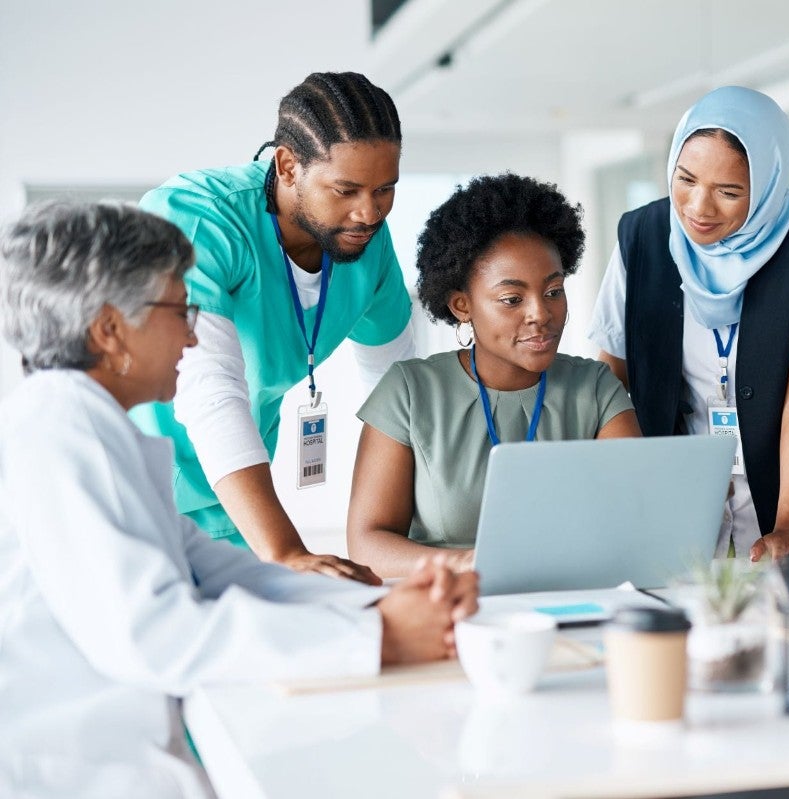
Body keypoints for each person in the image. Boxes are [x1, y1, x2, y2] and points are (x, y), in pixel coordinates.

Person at [0, 202, 478, 798]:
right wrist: (377, 638)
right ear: (108, 330)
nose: (193, 332)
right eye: (179, 310)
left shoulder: (94, 427)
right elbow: (155, 635)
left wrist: (384, 602)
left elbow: (220, 573)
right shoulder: (60, 429)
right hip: (74, 771)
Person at [131, 72, 414, 585]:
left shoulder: (366, 241)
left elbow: (397, 395)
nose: (369, 212)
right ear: (287, 166)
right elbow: (207, 388)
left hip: (231, 508)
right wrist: (284, 550)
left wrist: (406, 533)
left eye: (386, 189)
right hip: (134, 494)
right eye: (346, 189)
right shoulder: (202, 219)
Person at [588, 86, 789, 562]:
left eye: (729, 192)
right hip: (675, 478)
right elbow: (611, 375)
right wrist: (624, 485)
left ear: (768, 183)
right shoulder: (643, 234)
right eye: (686, 179)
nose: (698, 208)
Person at [348, 173, 641, 576]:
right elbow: (367, 545)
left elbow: (638, 521)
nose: (541, 313)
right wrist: (472, 565)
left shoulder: (595, 389)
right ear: (461, 306)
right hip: (449, 606)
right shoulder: (409, 391)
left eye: (553, 291)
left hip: (572, 599)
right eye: (512, 299)